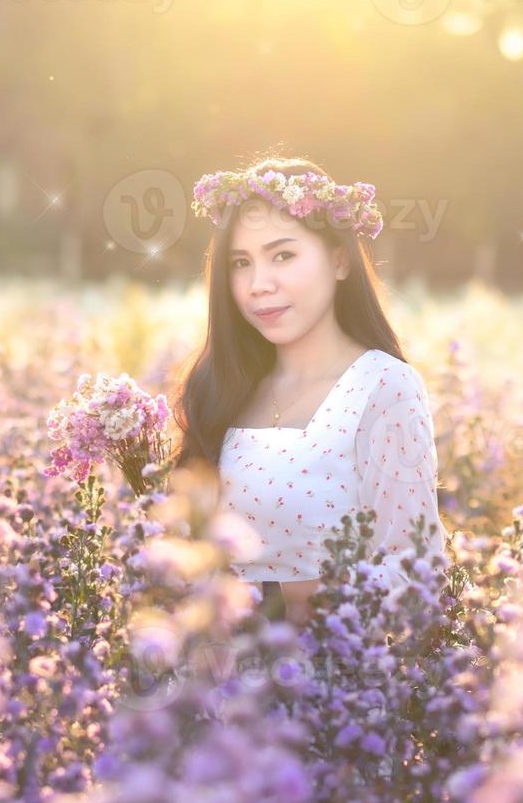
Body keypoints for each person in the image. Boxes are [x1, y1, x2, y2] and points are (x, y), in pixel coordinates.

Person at [170, 155, 447, 625]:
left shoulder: (382, 387)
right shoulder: (225, 388)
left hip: (329, 682)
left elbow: (418, 575)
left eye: (283, 255)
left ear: (340, 260)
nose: (259, 285)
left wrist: (284, 596)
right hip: (215, 680)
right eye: (241, 263)